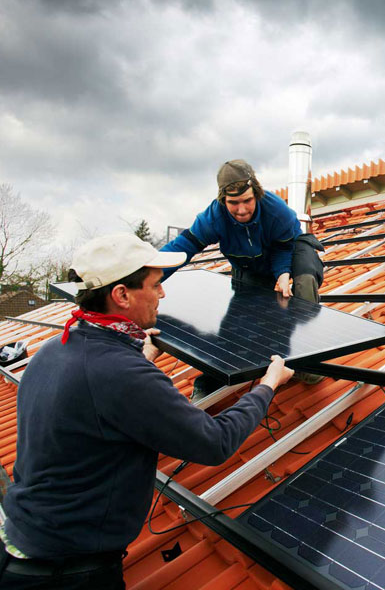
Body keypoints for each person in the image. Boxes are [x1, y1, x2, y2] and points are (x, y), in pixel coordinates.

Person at [0, 234, 293, 589]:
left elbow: (95, 389)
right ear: (121, 295)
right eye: (155, 285)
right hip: (67, 573)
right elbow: (215, 441)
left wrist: (133, 354)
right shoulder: (119, 375)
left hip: (22, 540)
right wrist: (267, 385)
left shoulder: (53, 350)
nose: (163, 294)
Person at [159, 159, 325, 391]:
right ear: (222, 200)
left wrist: (283, 273)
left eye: (247, 200)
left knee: (301, 287)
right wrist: (148, 277)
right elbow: (183, 247)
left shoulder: (276, 211)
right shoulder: (213, 218)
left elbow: (283, 247)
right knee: (240, 324)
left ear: (256, 193)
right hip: (248, 266)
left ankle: (308, 363)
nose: (242, 209)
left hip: (291, 251)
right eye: (233, 203)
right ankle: (209, 384)